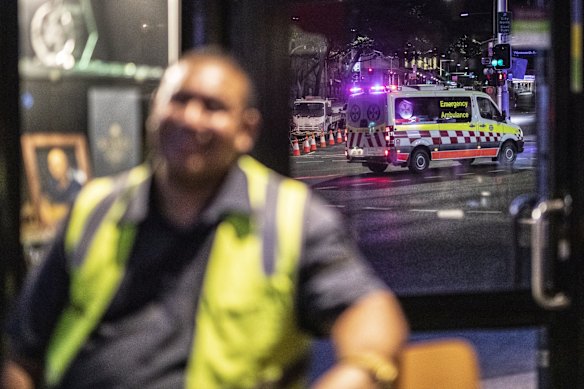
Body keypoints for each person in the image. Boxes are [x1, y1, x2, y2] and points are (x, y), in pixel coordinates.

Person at [2, 46, 408, 389]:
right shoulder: (96, 209)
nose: (191, 118)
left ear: (245, 130)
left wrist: (362, 370)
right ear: (153, 112)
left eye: (212, 107)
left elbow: (370, 313)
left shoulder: (290, 217)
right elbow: (23, 351)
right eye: (178, 100)